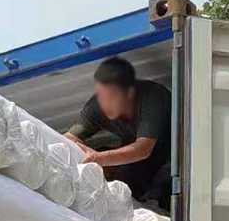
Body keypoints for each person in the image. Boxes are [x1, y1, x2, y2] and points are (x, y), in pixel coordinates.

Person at [66, 56, 172, 209]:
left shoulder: (153, 98)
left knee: (168, 190)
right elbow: (70, 137)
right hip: (136, 155)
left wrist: (99, 158)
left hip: (174, 150)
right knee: (125, 186)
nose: (107, 104)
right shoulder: (96, 106)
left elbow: (143, 148)